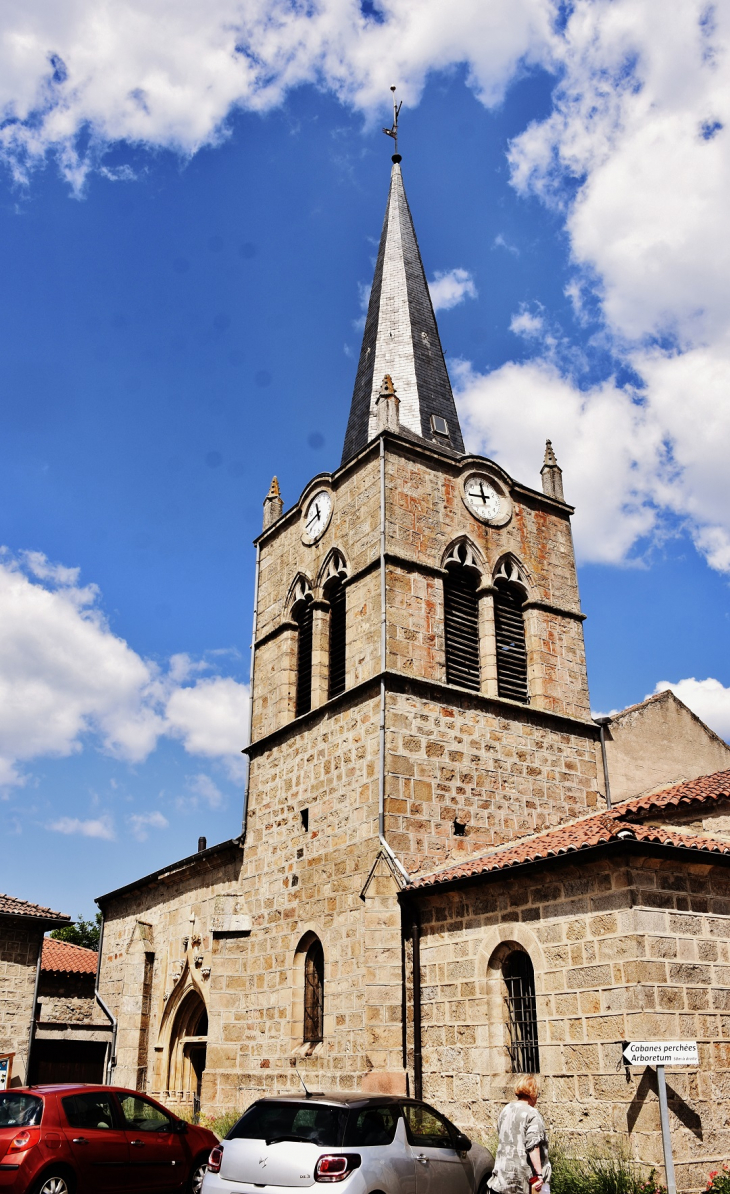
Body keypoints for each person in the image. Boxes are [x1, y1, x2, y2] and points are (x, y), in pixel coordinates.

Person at [488, 1075, 551, 1194]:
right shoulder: (532, 1113)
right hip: (522, 1180)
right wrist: (539, 1175)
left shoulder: (506, 1110)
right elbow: (533, 1145)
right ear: (532, 1093)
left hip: (502, 1177)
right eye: (537, 1094)